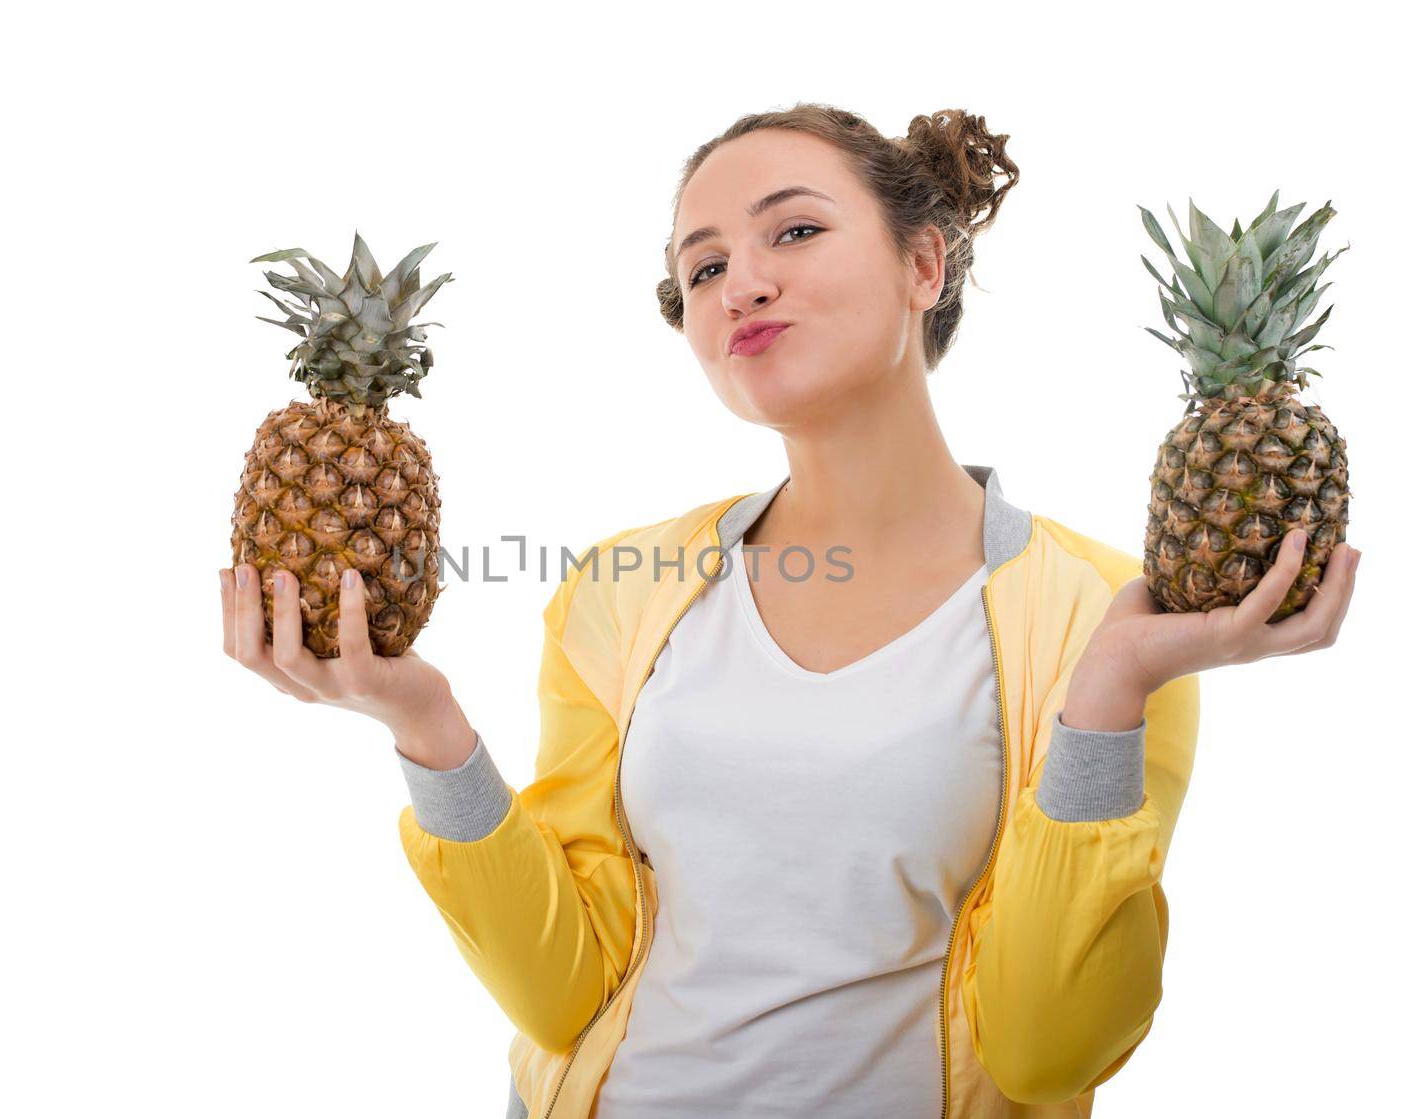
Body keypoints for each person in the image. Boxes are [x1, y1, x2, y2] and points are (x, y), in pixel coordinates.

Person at [220, 104, 1360, 1118]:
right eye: (701, 267)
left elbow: (1047, 1050)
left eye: (795, 231)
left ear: (926, 263)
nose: (740, 286)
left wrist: (1110, 701)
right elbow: (565, 992)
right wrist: (426, 729)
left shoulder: (1103, 619)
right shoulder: (624, 586)